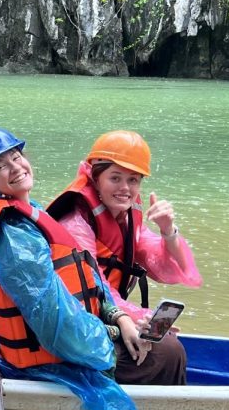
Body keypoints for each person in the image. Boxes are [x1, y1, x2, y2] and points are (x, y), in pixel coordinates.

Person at [0, 127, 138, 410]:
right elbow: (57, 327)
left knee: (156, 345)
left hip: (76, 341)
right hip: (52, 361)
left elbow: (89, 285)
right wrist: (111, 334)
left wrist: (119, 316)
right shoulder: (15, 237)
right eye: (1, 166)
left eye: (17, 157)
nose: (16, 168)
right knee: (165, 356)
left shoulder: (30, 215)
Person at [47, 130, 201, 385]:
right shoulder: (75, 222)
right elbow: (94, 289)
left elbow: (169, 271)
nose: (125, 189)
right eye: (115, 178)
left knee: (167, 345)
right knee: (169, 352)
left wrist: (168, 231)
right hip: (75, 329)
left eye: (133, 180)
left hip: (104, 318)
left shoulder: (126, 217)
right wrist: (137, 318)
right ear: (94, 178)